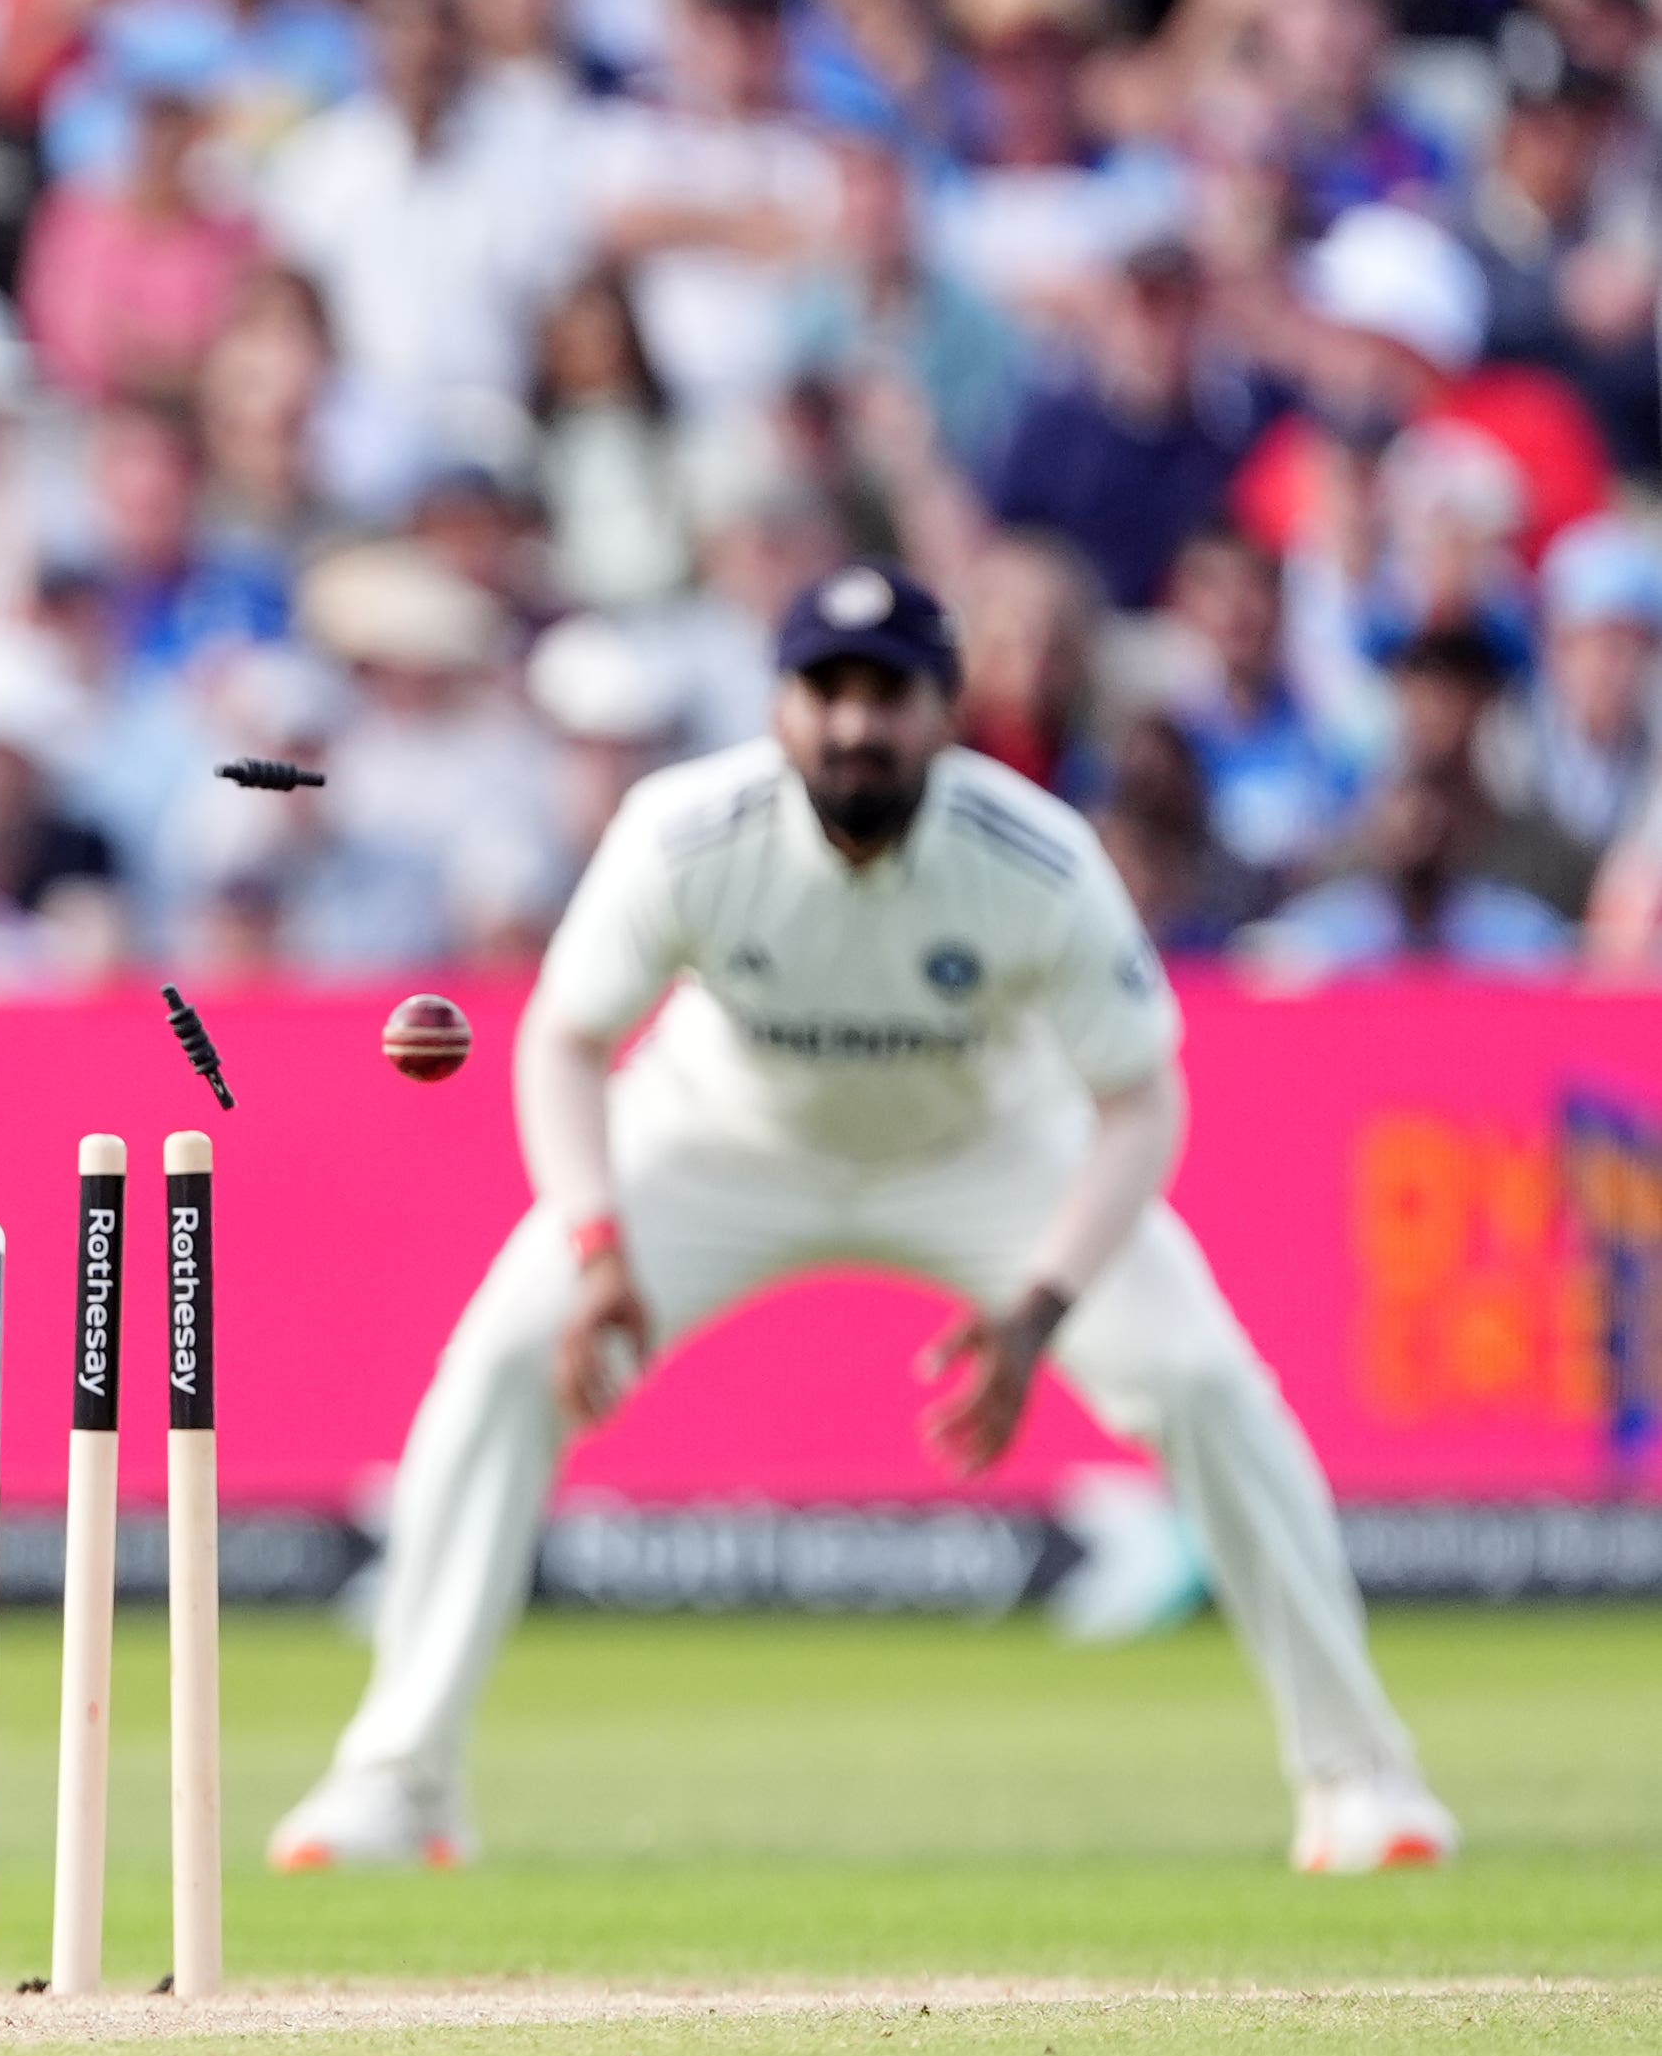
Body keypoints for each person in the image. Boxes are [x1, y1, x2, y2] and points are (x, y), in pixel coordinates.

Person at [270, 562, 1454, 1878]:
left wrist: (1041, 1310)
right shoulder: (687, 831)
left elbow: (1138, 1101)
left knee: (1198, 1381)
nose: (853, 724)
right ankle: (398, 1782)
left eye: (885, 693)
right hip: (721, 1138)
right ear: (779, 707)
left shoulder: (1034, 856)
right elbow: (563, 1042)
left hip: (986, 1147)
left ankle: (1362, 1780)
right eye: (824, 691)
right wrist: (599, 1244)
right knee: (502, 1366)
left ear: (942, 709)